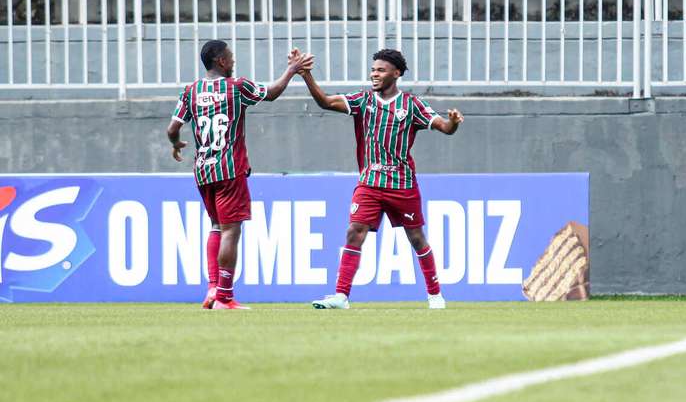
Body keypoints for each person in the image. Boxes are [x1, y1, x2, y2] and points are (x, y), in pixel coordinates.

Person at [296, 48, 464, 309]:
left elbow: (444, 127)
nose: (374, 74)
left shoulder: (411, 105)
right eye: (373, 69)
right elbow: (326, 102)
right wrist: (306, 75)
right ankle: (341, 296)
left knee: (417, 238)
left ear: (396, 74)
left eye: (380, 70)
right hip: (370, 183)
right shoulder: (363, 101)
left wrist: (453, 122)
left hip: (402, 185)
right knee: (354, 232)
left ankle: (435, 295)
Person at [167, 40, 313, 310]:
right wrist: (292, 69)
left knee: (215, 226)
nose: (233, 61)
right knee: (231, 232)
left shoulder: (191, 91)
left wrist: (176, 145)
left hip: (203, 169)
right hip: (230, 168)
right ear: (221, 61)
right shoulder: (236, 87)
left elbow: (172, 128)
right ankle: (224, 296)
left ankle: (213, 289)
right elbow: (271, 93)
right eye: (231, 57)